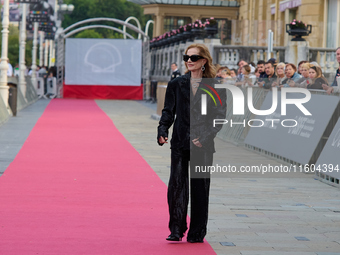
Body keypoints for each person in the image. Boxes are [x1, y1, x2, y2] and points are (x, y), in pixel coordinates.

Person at [157, 43, 226, 243]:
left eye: (194, 58)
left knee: (200, 189)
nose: (189, 61)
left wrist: (205, 137)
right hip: (179, 141)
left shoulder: (216, 86)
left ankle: (197, 232)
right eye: (187, 57)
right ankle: (176, 229)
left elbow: (219, 117)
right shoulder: (176, 84)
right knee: (176, 186)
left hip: (202, 144)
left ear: (204, 61)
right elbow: (168, 111)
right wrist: (162, 130)